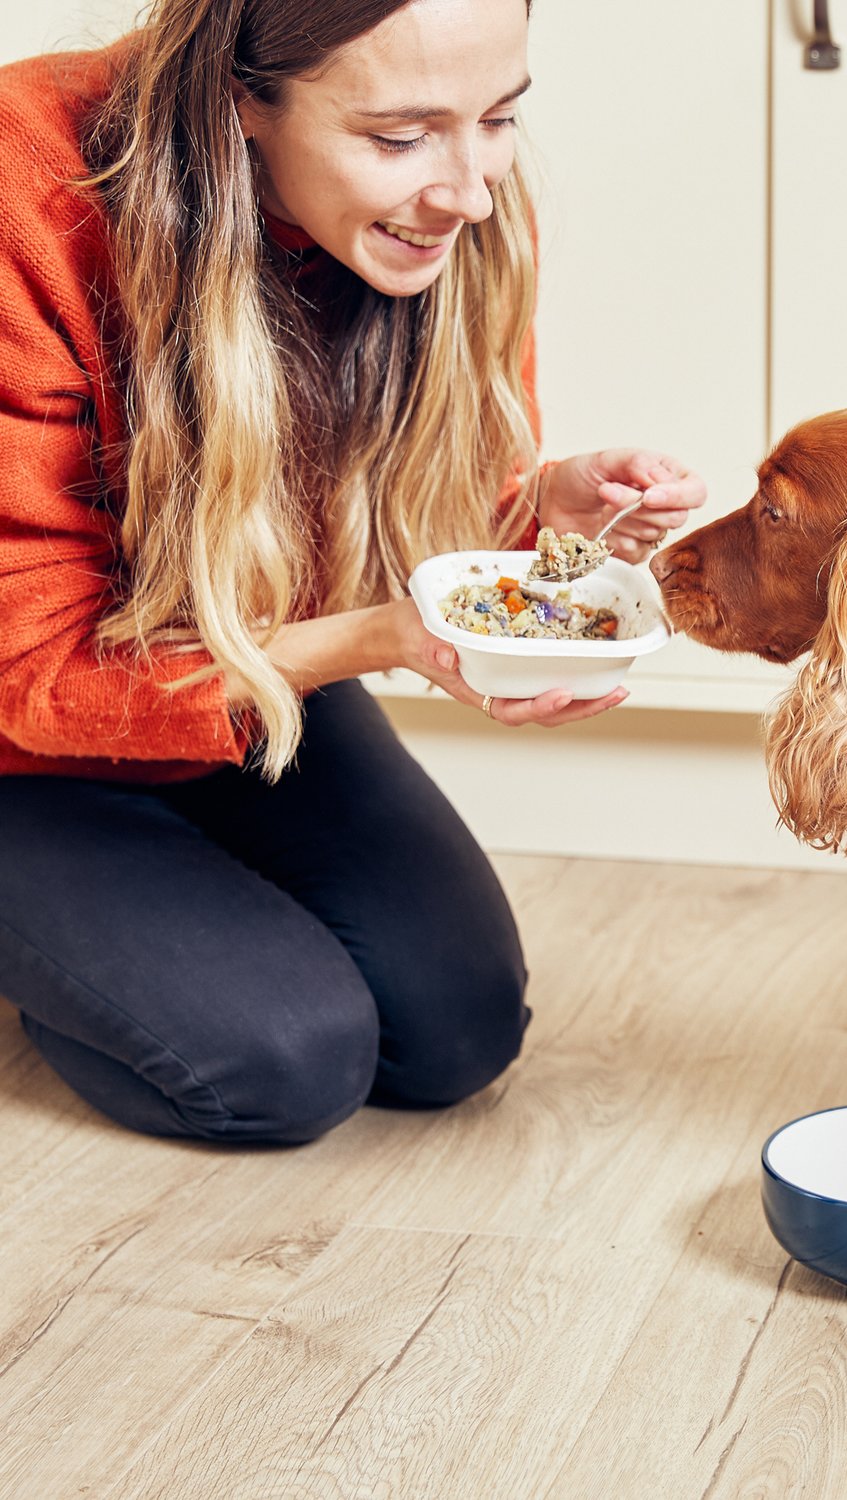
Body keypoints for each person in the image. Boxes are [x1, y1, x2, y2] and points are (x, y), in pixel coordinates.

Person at [0, 0, 705, 1143]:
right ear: (240, 95)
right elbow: (30, 671)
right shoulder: (24, 191)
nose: (470, 193)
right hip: (21, 741)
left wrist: (545, 514)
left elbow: (417, 517)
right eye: (400, 137)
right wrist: (378, 639)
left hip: (244, 685)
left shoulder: (454, 214)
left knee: (456, 1033)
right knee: (284, 1066)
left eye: (500, 118)